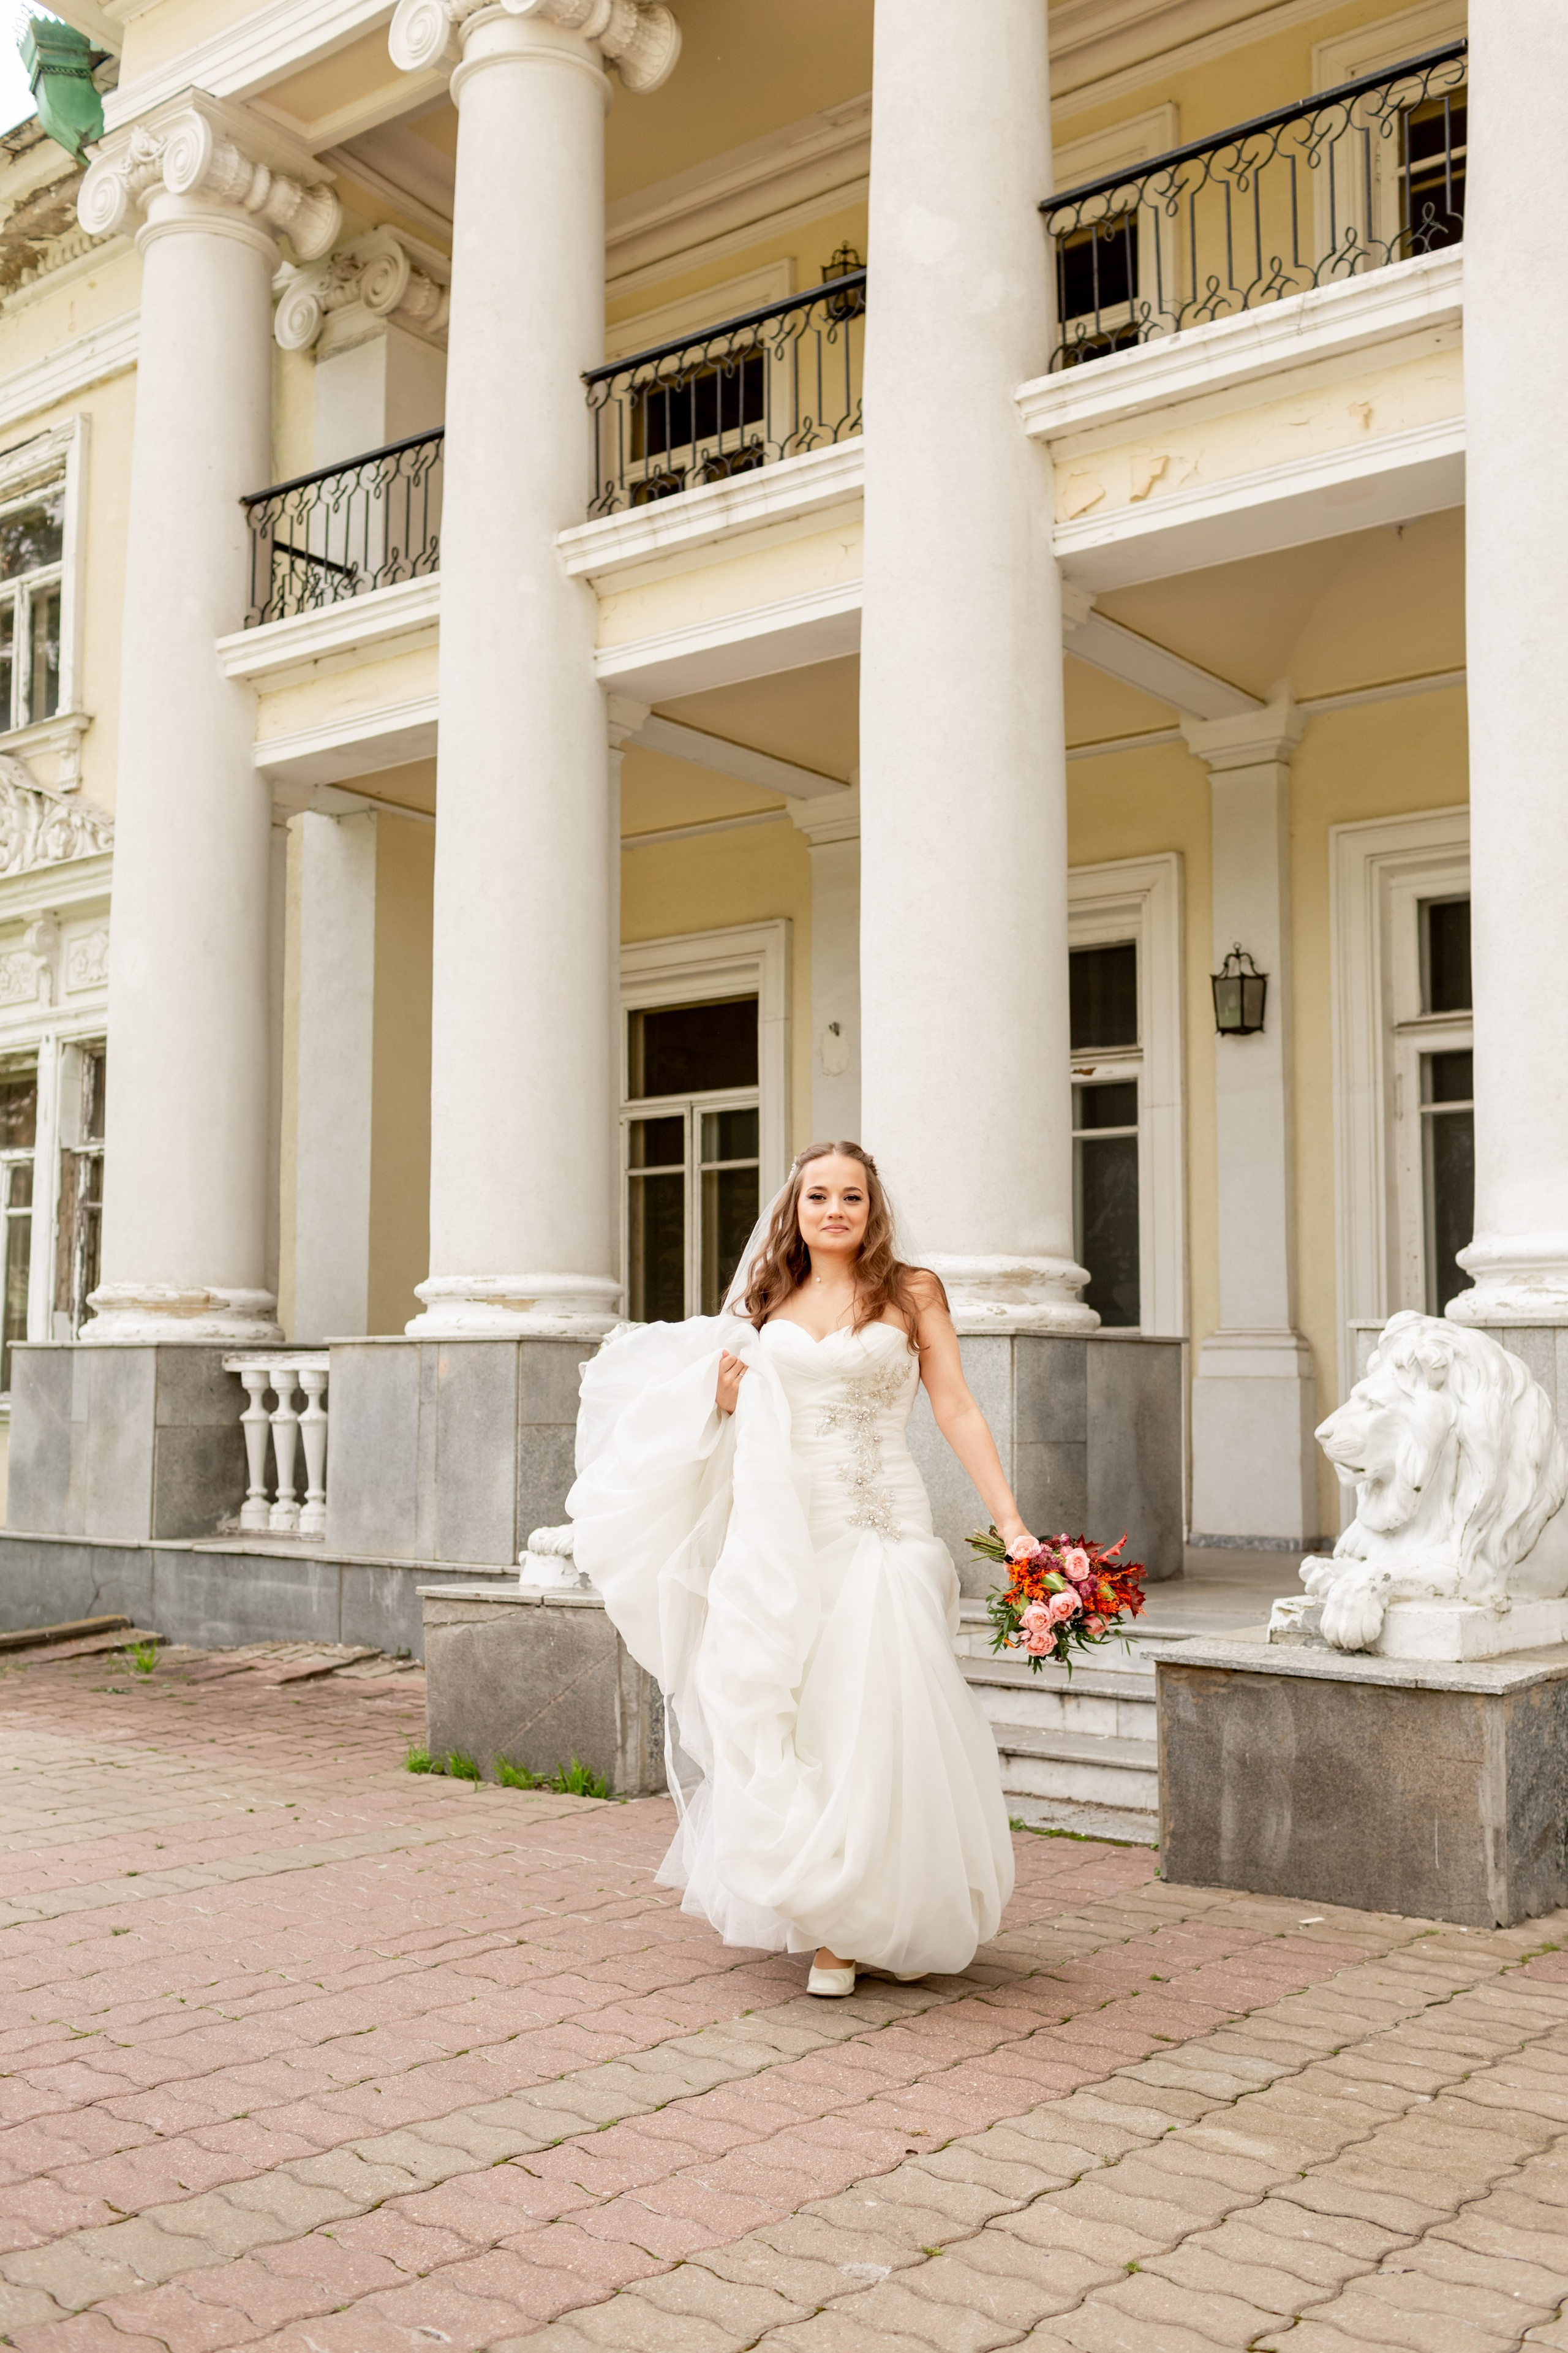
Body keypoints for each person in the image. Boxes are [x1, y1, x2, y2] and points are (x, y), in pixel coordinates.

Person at [567, 1141, 1036, 1995]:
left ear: (871, 1207)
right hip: (785, 1527)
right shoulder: (769, 1296)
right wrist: (723, 1402)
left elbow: (956, 1404)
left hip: (884, 1517)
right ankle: (832, 1911)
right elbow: (734, 1402)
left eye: (850, 1196)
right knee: (808, 1708)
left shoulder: (913, 1291)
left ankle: (870, 1915)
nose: (834, 1210)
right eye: (817, 1195)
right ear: (796, 1207)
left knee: (887, 1700)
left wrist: (1012, 1526)